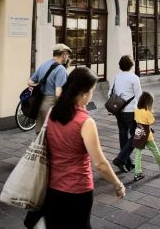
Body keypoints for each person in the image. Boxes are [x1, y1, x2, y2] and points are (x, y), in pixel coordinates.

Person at [24, 66, 125, 229]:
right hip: (78, 189)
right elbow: (99, 163)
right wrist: (117, 184)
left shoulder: (52, 112)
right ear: (84, 94)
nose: (92, 94)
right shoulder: (85, 122)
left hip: (52, 187)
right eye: (92, 91)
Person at [27, 43, 70, 133]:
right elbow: (58, 93)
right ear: (63, 54)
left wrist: (41, 86)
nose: (67, 57)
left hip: (39, 102)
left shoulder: (44, 65)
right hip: (51, 104)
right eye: (67, 54)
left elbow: (30, 82)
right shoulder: (60, 69)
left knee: (40, 134)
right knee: (52, 134)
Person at [109, 55, 142, 173]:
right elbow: (139, 96)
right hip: (131, 111)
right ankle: (121, 159)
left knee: (123, 135)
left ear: (120, 65)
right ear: (131, 65)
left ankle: (127, 163)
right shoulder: (134, 78)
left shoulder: (116, 77)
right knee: (137, 135)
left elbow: (110, 93)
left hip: (118, 111)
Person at [132, 92, 160, 181]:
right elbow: (151, 121)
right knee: (155, 150)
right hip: (147, 135)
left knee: (138, 153)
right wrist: (150, 112)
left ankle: (137, 173)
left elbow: (135, 119)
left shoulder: (136, 109)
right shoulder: (147, 112)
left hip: (139, 132)